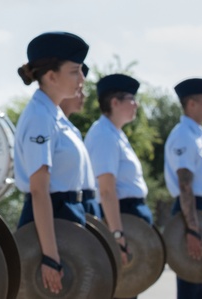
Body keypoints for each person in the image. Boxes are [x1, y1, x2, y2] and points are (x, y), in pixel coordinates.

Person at [13, 31, 92, 295]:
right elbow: (39, 190)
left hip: (65, 215)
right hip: (50, 220)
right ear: (51, 76)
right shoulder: (40, 116)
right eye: (75, 71)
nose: (82, 78)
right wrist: (49, 256)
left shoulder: (53, 113)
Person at [84, 73, 151, 291]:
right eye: (131, 99)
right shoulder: (104, 135)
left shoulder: (115, 133)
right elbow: (106, 191)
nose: (136, 104)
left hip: (129, 215)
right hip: (120, 216)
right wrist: (118, 236)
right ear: (115, 102)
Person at [164, 77, 202, 299]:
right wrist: (192, 229)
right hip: (189, 211)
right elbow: (185, 185)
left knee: (200, 282)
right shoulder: (184, 135)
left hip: (197, 210)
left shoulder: (195, 135)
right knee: (190, 286)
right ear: (191, 104)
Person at [60, 67, 100, 220]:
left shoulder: (71, 129)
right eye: (79, 90)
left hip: (82, 203)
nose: (83, 95)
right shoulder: (47, 121)